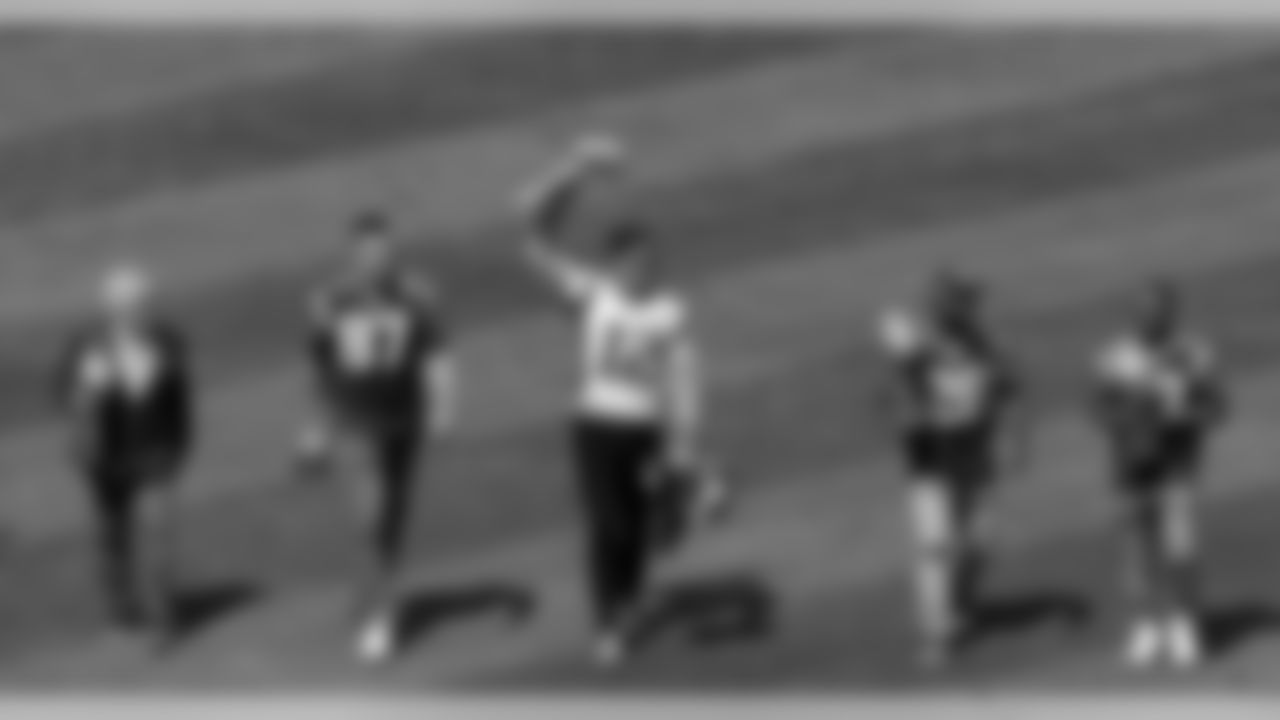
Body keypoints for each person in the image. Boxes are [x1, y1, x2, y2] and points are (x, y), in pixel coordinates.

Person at [515, 134, 722, 667]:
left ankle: (627, 603)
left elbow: (685, 376)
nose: (640, 272)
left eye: (646, 263)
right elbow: (534, 233)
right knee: (610, 524)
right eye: (631, 264)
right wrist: (573, 169)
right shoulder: (594, 294)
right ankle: (608, 622)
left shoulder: (671, 309)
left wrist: (688, 446)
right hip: (595, 428)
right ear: (614, 263)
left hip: (646, 430)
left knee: (643, 530)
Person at [296, 210, 456, 665]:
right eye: (370, 251)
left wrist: (444, 407)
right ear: (353, 255)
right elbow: (319, 367)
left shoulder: (418, 296)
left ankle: (368, 594)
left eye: (386, 250)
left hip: (404, 421)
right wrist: (313, 428)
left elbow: (437, 352)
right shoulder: (329, 300)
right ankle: (380, 619)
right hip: (354, 422)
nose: (379, 259)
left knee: (391, 521)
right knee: (374, 510)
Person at [874, 270, 1024, 669]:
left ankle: (958, 604)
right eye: (964, 301)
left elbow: (1008, 389)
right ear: (946, 307)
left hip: (973, 456)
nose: (973, 308)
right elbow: (901, 384)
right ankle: (936, 634)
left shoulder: (983, 345)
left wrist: (1010, 436)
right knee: (935, 546)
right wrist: (916, 401)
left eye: (971, 302)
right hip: (930, 457)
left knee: (981, 543)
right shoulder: (919, 346)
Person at [56, 263, 195, 651]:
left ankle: (162, 619)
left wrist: (180, 446)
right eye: (126, 304)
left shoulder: (168, 342)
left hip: (155, 457)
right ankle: (120, 611)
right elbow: (63, 394)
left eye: (140, 303)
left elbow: (179, 400)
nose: (136, 311)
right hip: (107, 462)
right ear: (110, 308)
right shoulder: (87, 347)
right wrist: (87, 391)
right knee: (113, 539)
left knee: (157, 536)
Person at [1092, 278, 1226, 671]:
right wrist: (1130, 420)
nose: (1151, 316)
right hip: (1131, 466)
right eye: (1144, 309)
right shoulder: (1115, 356)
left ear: (1171, 312)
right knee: (1137, 550)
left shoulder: (1194, 353)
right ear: (1135, 313)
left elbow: (1217, 408)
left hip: (1178, 463)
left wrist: (1182, 416)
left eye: (1159, 309)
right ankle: (1146, 625)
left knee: (1180, 547)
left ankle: (1184, 624)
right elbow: (1097, 408)